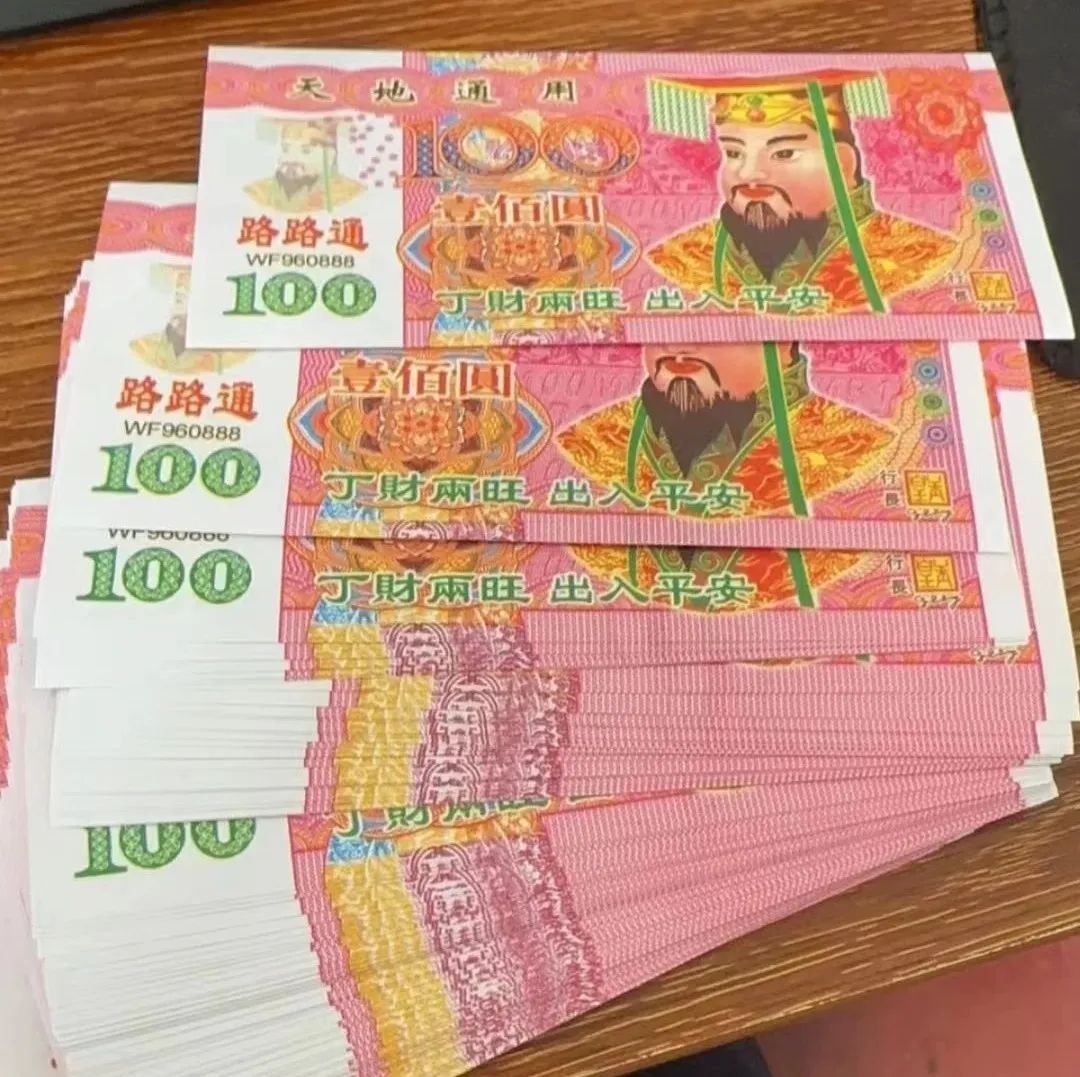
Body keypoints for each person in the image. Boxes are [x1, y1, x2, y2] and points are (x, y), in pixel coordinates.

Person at [646, 73, 959, 314]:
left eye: (784, 154)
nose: (749, 174)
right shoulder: (682, 257)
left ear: (842, 163)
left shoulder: (918, 256)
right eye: (734, 153)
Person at [245, 119, 363, 212]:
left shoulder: (349, 193)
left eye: (306, 151)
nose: (291, 160)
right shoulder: (260, 192)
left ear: (330, 155)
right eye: (286, 149)